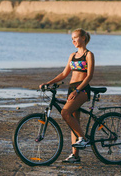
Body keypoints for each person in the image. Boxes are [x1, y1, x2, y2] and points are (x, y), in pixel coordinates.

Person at [39, 28, 94, 163]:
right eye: (72, 39)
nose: (73, 40)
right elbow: (64, 74)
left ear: (83, 38)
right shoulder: (72, 55)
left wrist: (78, 90)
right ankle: (75, 155)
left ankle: (84, 139)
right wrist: (49, 82)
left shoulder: (88, 54)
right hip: (71, 89)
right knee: (73, 122)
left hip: (83, 89)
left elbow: (89, 76)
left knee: (65, 112)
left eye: (75, 38)